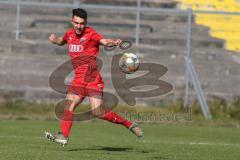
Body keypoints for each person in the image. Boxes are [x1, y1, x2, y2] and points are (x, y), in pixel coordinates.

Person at [45, 8, 143, 146]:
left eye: (82, 23)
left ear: (86, 23)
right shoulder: (69, 34)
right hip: (78, 80)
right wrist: (55, 40)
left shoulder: (91, 34)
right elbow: (62, 40)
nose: (79, 26)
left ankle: (128, 124)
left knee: (97, 112)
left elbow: (104, 41)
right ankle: (64, 136)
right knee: (69, 105)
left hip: (93, 79)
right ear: (72, 21)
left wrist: (114, 42)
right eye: (76, 23)